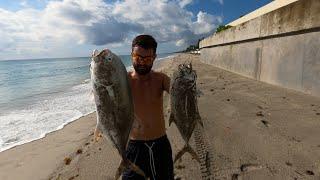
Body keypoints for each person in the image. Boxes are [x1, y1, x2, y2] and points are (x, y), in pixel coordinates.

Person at [122, 35, 174, 180]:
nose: (142, 63)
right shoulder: (124, 80)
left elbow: (179, 92)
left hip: (160, 145)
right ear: (132, 55)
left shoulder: (161, 79)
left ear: (155, 57)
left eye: (148, 59)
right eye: (138, 58)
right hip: (134, 146)